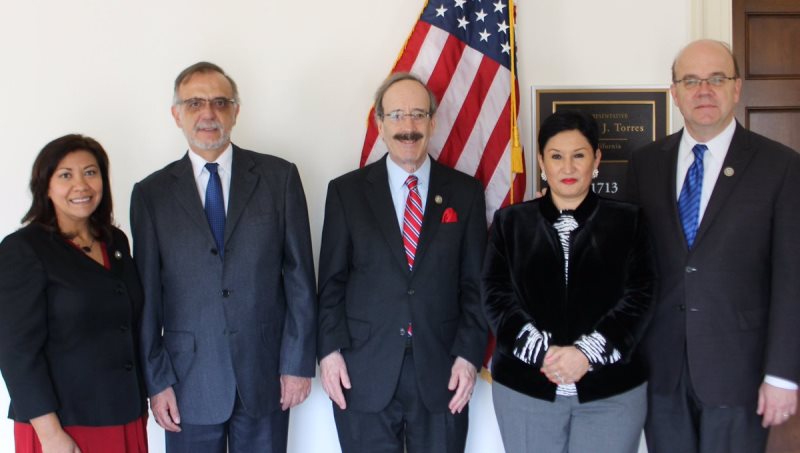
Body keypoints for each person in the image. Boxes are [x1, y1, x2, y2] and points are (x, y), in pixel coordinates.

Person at [130, 62, 317, 453]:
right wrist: (157, 379)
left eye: (219, 102)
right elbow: (147, 297)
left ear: (235, 111)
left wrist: (297, 364)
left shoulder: (278, 178)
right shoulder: (151, 194)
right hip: (186, 383)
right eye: (195, 103)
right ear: (176, 114)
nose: (208, 113)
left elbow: (299, 277)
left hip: (265, 373)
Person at [628, 39, 800, 453]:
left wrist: (782, 375)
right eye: (691, 80)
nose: (704, 90)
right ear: (675, 92)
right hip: (661, 372)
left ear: (736, 88)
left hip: (740, 373)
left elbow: (792, 277)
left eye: (716, 78)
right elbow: (631, 269)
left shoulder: (781, 166)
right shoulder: (644, 164)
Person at [317, 72, 488, 453]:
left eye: (417, 115)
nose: (407, 127)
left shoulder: (465, 193)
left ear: (432, 122)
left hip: (443, 372)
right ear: (379, 124)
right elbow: (331, 284)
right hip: (362, 372)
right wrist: (329, 354)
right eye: (396, 115)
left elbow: (475, 287)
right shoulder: (346, 193)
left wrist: (468, 357)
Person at [482, 109, 656, 453]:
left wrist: (586, 355)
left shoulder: (629, 221)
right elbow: (495, 296)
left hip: (611, 394)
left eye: (579, 156)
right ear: (542, 162)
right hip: (526, 390)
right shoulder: (509, 223)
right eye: (556, 156)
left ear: (596, 159)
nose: (568, 167)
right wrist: (542, 354)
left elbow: (641, 295)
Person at [0, 134, 148, 453]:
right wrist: (52, 436)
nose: (81, 185)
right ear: (46, 185)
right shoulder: (24, 250)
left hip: (124, 414)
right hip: (63, 425)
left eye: (90, 172)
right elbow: (16, 351)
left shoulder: (115, 242)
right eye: (65, 175)